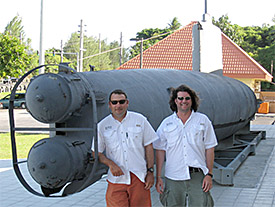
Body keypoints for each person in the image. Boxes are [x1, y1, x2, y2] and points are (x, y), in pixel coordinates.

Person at [153, 84, 218, 207]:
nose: (184, 101)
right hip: (174, 176)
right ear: (175, 101)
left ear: (192, 101)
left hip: (197, 176)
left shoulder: (203, 121)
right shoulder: (166, 123)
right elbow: (160, 150)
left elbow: (210, 148)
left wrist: (209, 174)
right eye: (180, 98)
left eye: (187, 98)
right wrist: (159, 177)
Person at [92, 89, 158, 207]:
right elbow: (96, 152)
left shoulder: (140, 120)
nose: (118, 105)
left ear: (127, 103)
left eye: (121, 102)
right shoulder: (102, 126)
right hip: (116, 179)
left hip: (139, 177)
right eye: (114, 102)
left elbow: (149, 146)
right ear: (109, 105)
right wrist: (111, 164)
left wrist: (150, 172)